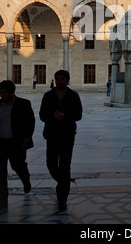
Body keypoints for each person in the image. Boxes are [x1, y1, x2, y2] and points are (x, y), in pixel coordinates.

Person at [0, 80, 35, 215]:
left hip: (16, 143)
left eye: (4, 92)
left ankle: (25, 178)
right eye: (0, 92)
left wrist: (27, 139)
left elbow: (30, 122)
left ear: (12, 92)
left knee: (18, 165)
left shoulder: (23, 104)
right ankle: (2, 201)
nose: (1, 95)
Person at [39, 70, 83, 211]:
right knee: (50, 163)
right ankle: (64, 182)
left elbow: (78, 115)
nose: (59, 81)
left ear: (67, 80)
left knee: (65, 165)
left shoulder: (73, 95)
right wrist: (53, 116)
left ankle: (62, 198)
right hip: (52, 134)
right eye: (57, 79)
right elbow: (42, 115)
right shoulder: (48, 96)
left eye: (62, 79)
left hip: (67, 134)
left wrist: (64, 116)